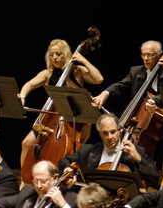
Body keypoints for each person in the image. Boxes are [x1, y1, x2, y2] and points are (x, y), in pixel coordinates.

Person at [19, 39, 103, 169]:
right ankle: (25, 179)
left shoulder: (77, 71)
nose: (55, 58)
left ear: (65, 54)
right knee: (26, 143)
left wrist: (83, 60)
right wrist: (22, 96)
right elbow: (30, 84)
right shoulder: (47, 73)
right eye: (52, 55)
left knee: (75, 146)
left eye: (58, 54)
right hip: (51, 120)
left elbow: (98, 79)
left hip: (75, 119)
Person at [58, 113, 159, 187]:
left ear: (119, 131)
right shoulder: (87, 150)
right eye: (105, 133)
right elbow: (64, 161)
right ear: (100, 134)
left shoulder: (136, 151)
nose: (110, 137)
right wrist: (67, 169)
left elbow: (155, 177)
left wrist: (138, 158)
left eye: (113, 132)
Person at [91, 40, 163, 111]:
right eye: (143, 55)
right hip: (139, 116)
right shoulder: (136, 71)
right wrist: (104, 94)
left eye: (149, 55)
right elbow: (120, 85)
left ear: (159, 56)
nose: (146, 58)